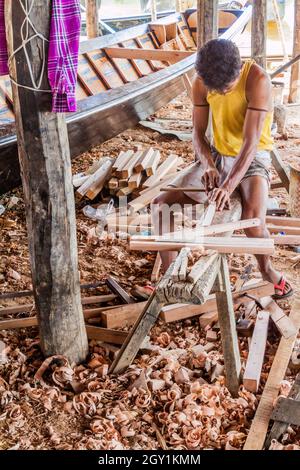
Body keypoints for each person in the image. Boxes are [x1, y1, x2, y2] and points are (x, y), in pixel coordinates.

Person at [151, 38, 293, 299]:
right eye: (218, 89)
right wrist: (208, 165)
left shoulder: (257, 80)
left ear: (238, 69)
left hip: (253, 157)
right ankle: (171, 280)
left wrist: (228, 186)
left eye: (227, 87)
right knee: (161, 205)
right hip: (218, 154)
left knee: (253, 220)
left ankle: (268, 271)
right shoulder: (201, 83)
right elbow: (196, 133)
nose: (224, 93)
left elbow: (250, 145)